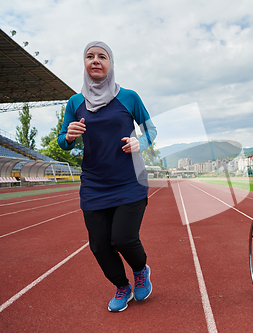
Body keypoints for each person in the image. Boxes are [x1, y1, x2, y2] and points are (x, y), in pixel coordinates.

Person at [58, 41, 157, 312]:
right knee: (100, 245)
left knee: (123, 239)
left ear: (111, 63)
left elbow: (150, 130)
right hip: (94, 184)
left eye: (102, 56)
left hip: (129, 181)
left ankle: (140, 270)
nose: (96, 60)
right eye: (90, 56)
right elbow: (62, 141)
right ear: (85, 64)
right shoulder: (75, 102)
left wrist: (141, 143)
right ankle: (122, 287)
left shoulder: (129, 97)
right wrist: (68, 136)